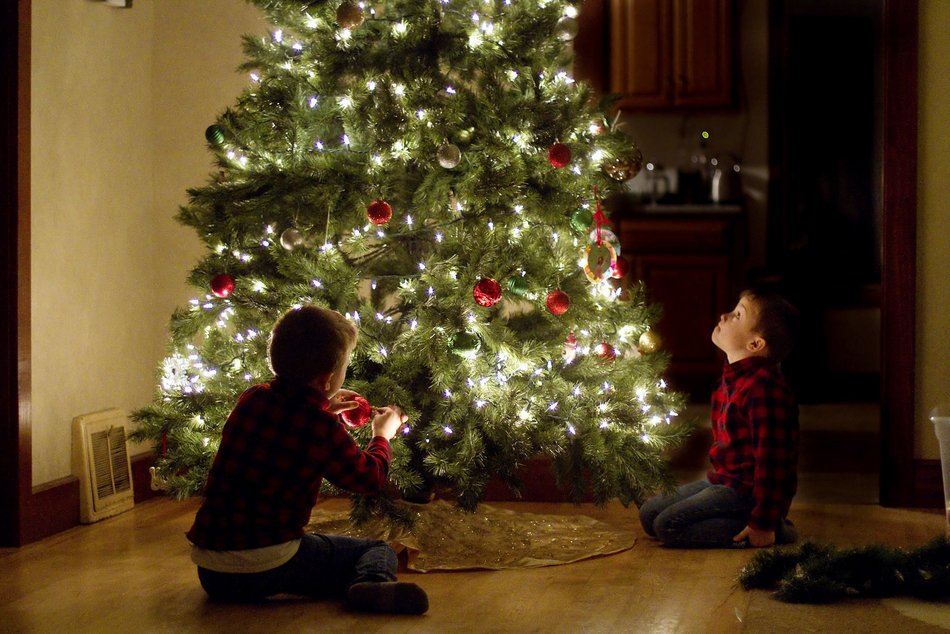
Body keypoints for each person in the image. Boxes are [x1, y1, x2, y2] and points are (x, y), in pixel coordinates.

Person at [186, 305, 429, 614]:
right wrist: (382, 434)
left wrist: (324, 406)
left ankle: (348, 582)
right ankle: (372, 584)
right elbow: (369, 478)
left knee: (315, 550)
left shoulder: (253, 397)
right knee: (376, 550)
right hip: (270, 565)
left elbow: (285, 425)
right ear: (328, 379)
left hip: (213, 573)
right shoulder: (320, 426)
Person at [639, 289, 800, 548]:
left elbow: (774, 465)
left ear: (755, 344)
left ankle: (774, 529)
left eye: (737, 315)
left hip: (746, 492)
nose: (724, 316)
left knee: (668, 526)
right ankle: (741, 519)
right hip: (723, 480)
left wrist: (764, 522)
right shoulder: (733, 377)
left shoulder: (765, 390)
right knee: (649, 515)